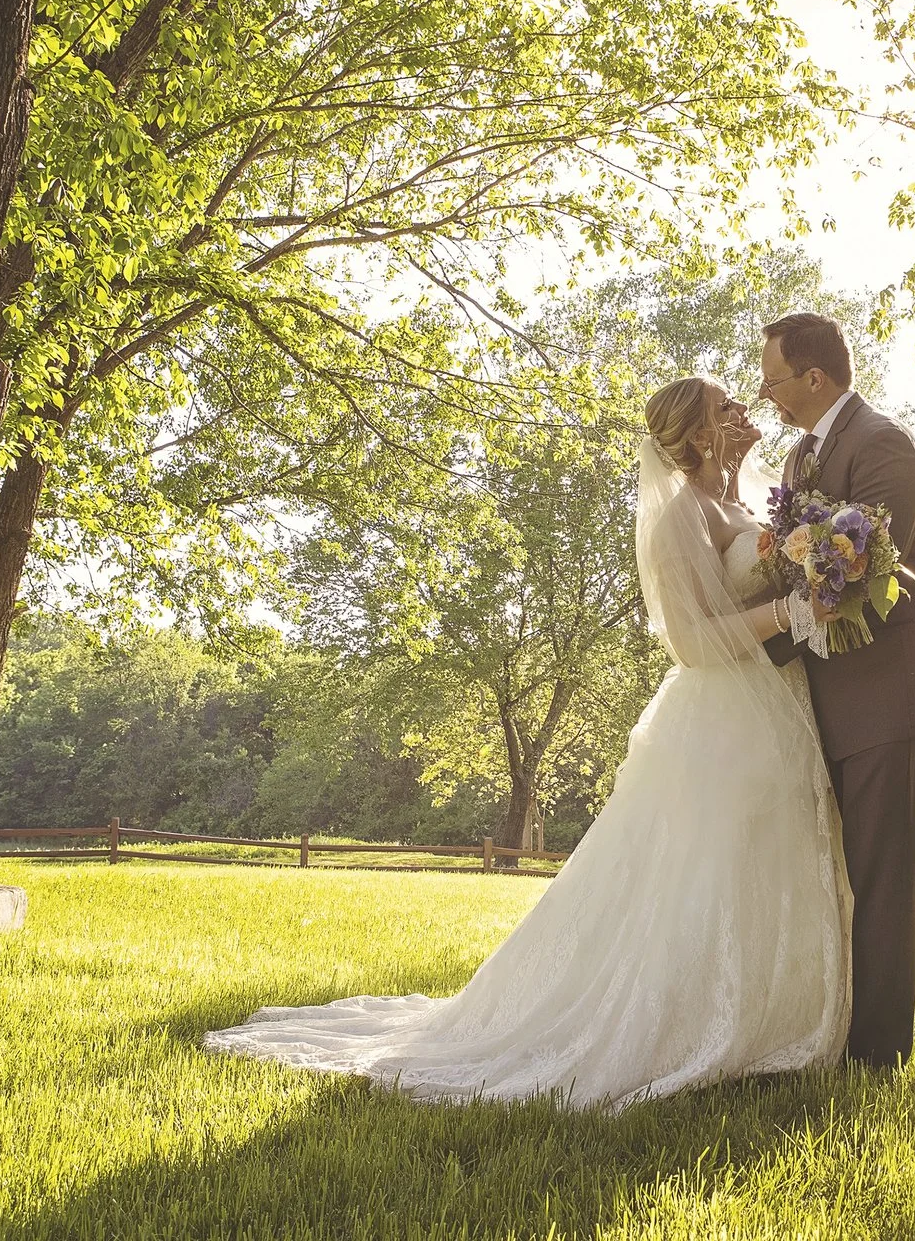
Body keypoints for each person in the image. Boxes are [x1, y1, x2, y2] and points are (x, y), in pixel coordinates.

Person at [203, 377, 850, 1110]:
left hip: (775, 707)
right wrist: (788, 610)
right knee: (699, 873)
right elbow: (691, 642)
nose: (744, 411)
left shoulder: (749, 500)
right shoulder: (677, 516)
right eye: (726, 407)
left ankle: (768, 1021)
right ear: (700, 435)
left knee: (767, 859)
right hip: (720, 717)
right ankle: (688, 1025)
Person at [756, 311, 915, 1069]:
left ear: (815, 378)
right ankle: (826, 1032)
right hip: (826, 695)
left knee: (882, 881)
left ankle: (878, 1055)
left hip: (887, 695)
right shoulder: (798, 459)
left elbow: (874, 576)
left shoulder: (882, 444)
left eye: (774, 379)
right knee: (834, 876)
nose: (767, 394)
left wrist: (763, 625)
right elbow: (796, 569)